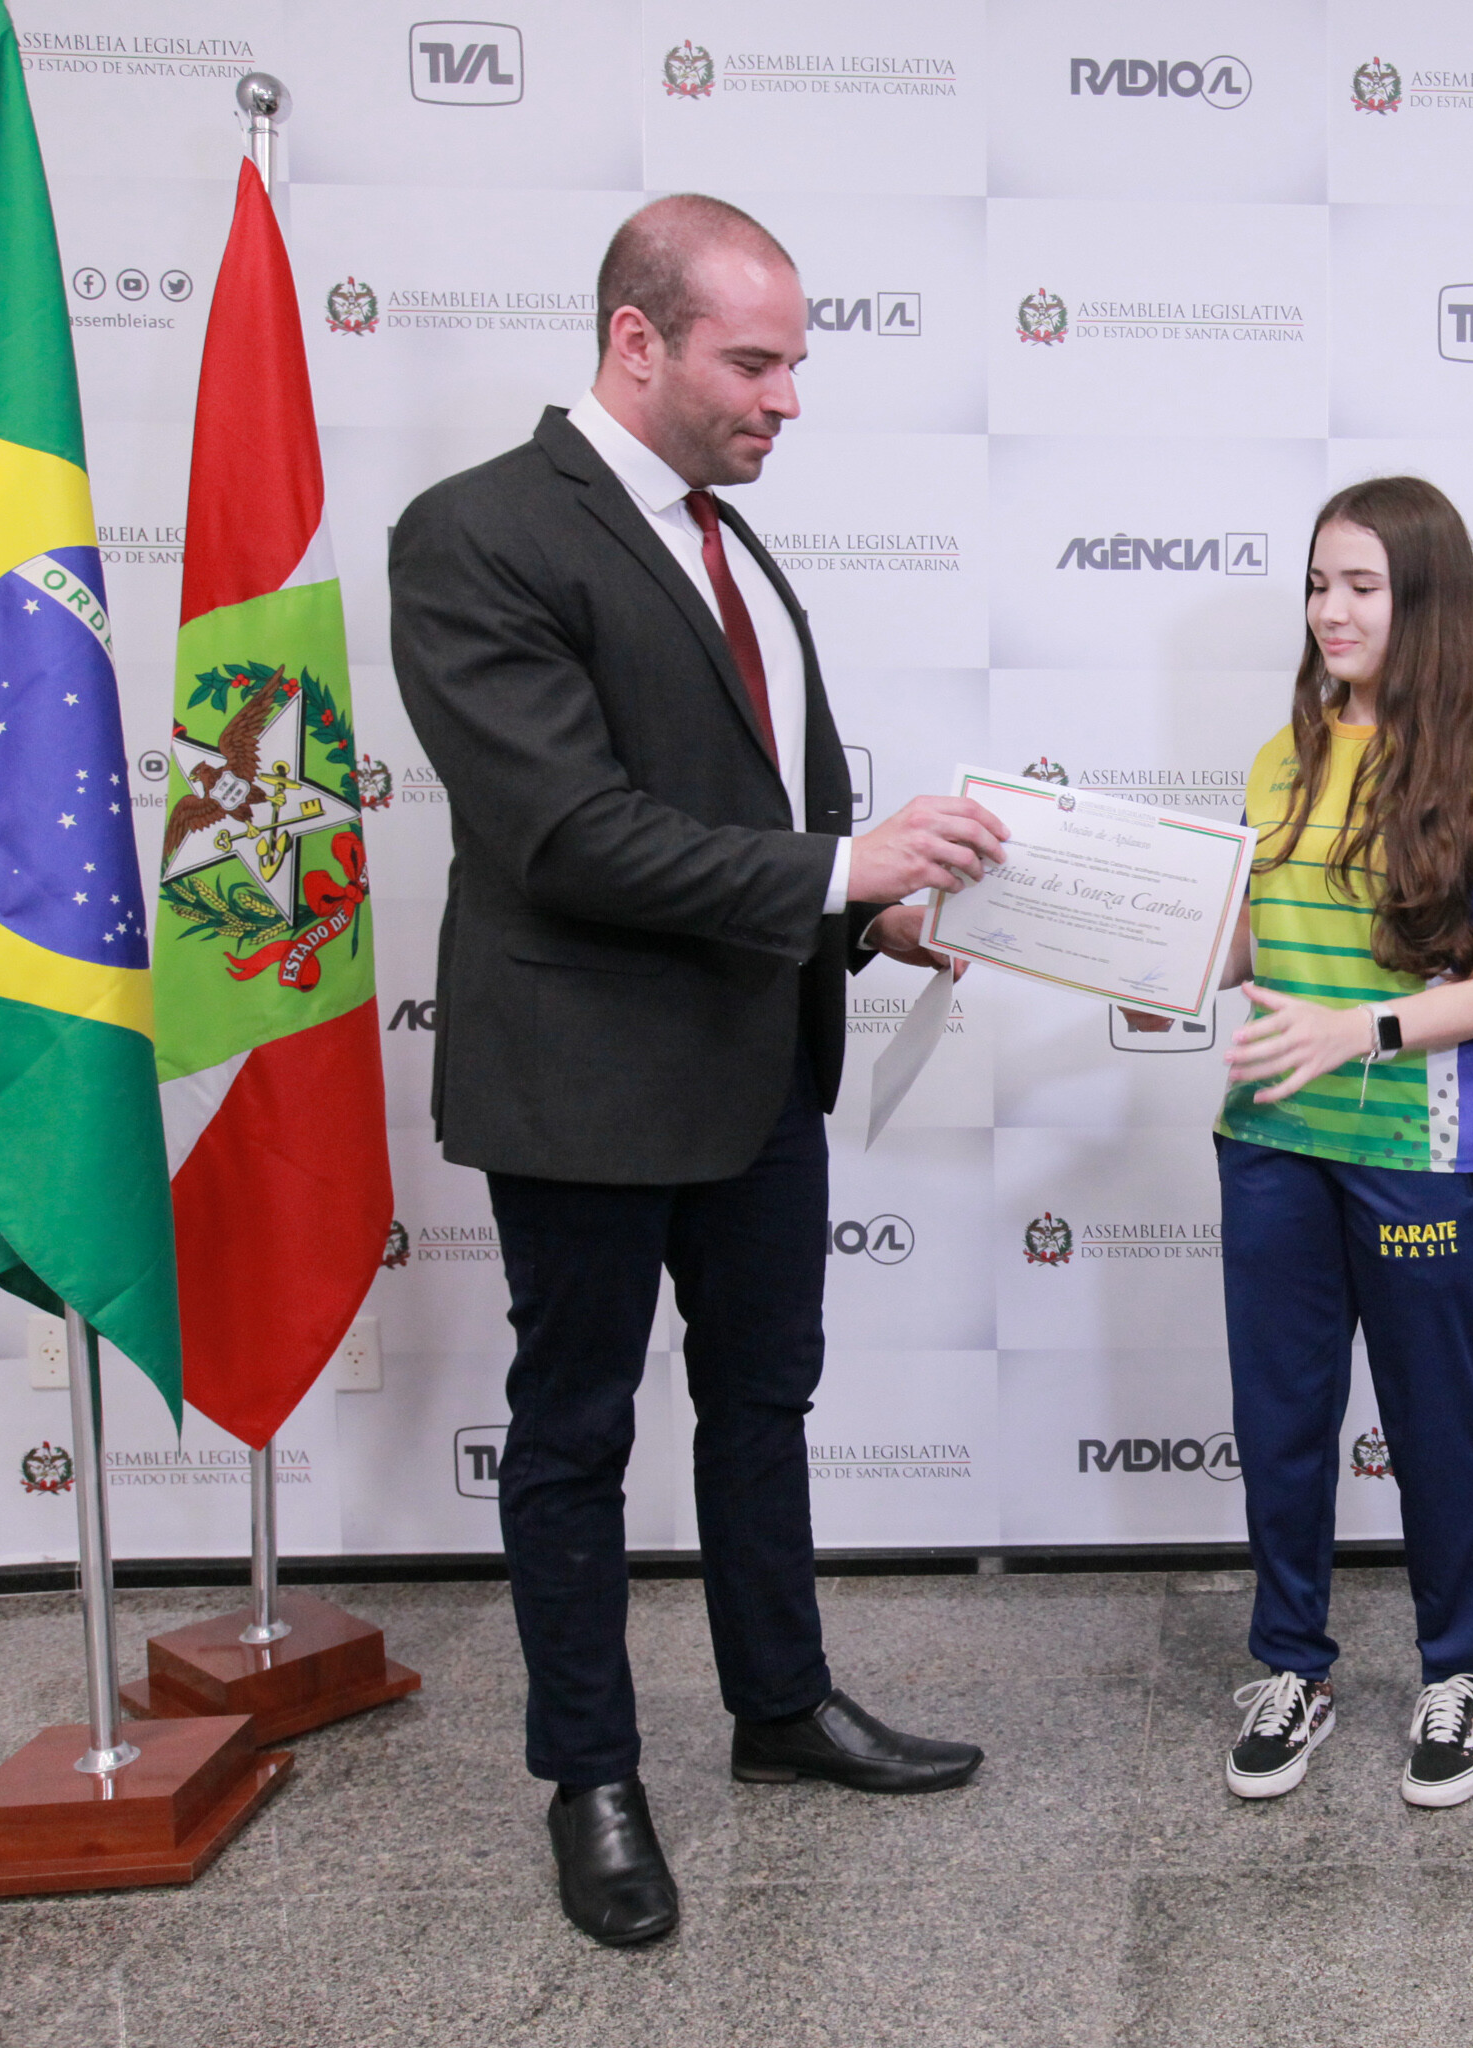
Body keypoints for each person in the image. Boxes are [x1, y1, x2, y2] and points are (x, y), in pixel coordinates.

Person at [390, 194, 1012, 1947]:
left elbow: (765, 818)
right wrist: (842, 873)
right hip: (583, 1090)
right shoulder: (477, 535)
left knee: (762, 1408)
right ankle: (591, 1777)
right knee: (575, 1435)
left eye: (798, 361)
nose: (788, 397)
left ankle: (780, 1706)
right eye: (756, 360)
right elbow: (570, 834)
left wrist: (865, 925)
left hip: (757, 1079)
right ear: (635, 342)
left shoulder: (737, 547)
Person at [1181, 476, 1473, 1809]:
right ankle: (1294, 1665)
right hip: (1271, 1143)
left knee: (1436, 1425)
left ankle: (1456, 1670)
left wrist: (1364, 1033)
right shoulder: (1278, 754)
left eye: (1361, 586)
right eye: (1316, 583)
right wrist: (1153, 967)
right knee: (1283, 1423)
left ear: (1426, 603)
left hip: (1421, 1148)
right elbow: (1239, 948)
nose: (1329, 611)